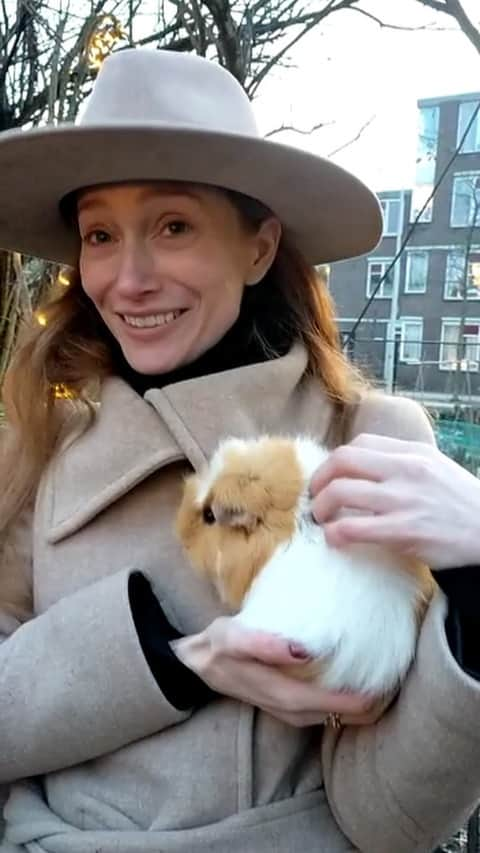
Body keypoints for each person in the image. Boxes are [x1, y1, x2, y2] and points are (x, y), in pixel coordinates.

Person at [0, 47, 479, 853]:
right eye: (100, 234)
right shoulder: (36, 441)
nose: (129, 278)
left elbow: (395, 819)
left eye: (174, 225)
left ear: (258, 247)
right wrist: (179, 654)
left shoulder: (369, 443)